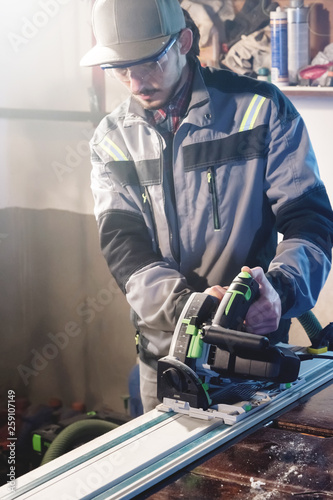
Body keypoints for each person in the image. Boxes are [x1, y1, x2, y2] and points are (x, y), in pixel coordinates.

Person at [81, 0, 333, 412]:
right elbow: (124, 249)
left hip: (252, 353)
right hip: (164, 359)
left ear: (182, 42)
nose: (135, 82)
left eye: (147, 63)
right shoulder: (111, 140)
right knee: (165, 472)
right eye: (121, 69)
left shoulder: (261, 109)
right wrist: (189, 308)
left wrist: (282, 290)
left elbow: (310, 218)